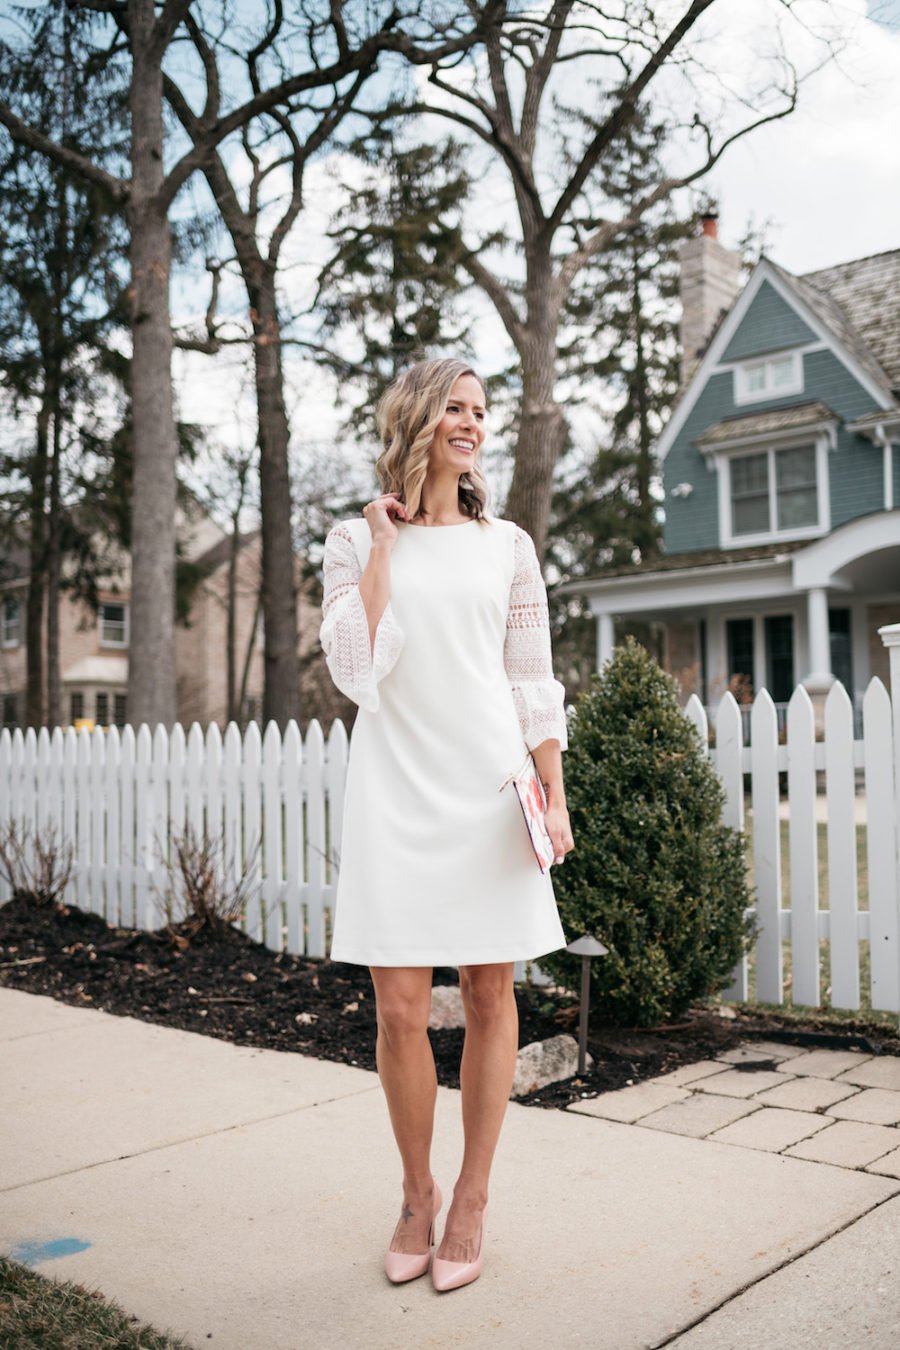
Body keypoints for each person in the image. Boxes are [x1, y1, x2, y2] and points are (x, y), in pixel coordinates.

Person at [319, 357, 574, 1292]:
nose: (472, 423)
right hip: (394, 789)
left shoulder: (508, 544)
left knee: (487, 994)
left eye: (480, 411)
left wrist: (553, 790)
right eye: (456, 409)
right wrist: (386, 550)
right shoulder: (352, 541)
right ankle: (414, 1193)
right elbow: (356, 670)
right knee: (396, 1007)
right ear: (419, 419)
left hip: (486, 782)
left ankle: (471, 1197)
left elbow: (529, 677)